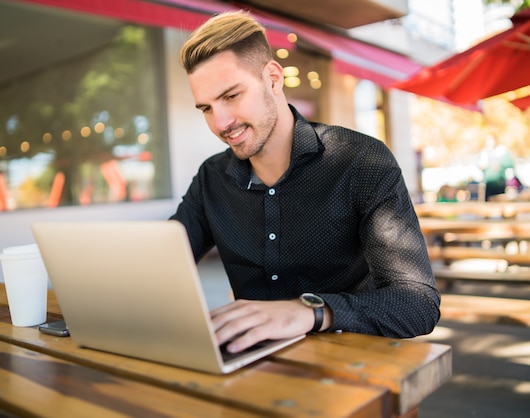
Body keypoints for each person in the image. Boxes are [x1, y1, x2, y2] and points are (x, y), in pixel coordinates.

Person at [170, 11, 440, 355]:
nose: (221, 122)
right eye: (206, 108)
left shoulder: (361, 162)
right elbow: (160, 269)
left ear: (272, 78)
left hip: (353, 372)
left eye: (232, 96)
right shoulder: (211, 178)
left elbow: (418, 303)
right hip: (250, 371)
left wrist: (313, 311)